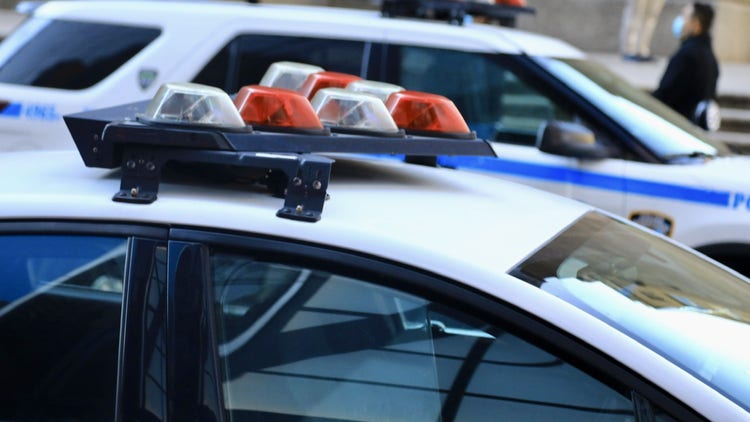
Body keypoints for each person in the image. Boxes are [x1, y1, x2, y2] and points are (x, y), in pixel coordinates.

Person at [653, 2, 719, 126]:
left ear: (696, 24)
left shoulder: (687, 56)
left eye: (684, 17)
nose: (680, 21)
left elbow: (665, 96)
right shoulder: (709, 56)